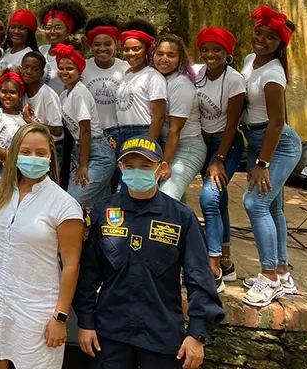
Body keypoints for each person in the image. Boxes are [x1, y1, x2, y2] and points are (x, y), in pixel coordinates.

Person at [73, 136, 224, 369]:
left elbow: (200, 278)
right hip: (110, 334)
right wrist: (85, 322)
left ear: (161, 169)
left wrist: (197, 334)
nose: (137, 172)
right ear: (120, 168)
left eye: (145, 166)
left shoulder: (181, 217)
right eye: (130, 166)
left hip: (161, 335)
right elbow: (87, 275)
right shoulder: (104, 212)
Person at [0, 124, 84, 369]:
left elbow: (71, 265)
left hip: (37, 310)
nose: (33, 158)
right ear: (13, 153)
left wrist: (60, 317)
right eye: (26, 151)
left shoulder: (64, 205)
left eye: (40, 153)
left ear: (50, 156)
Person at [240, 6, 302, 307]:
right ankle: (282, 271)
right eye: (259, 33)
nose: (262, 40)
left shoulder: (274, 74)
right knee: (274, 206)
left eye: (272, 37)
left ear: (281, 44)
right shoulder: (250, 60)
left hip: (278, 143)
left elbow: (277, 123)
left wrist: (263, 164)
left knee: (255, 202)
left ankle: (269, 278)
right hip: (256, 139)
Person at [195, 28, 245, 292]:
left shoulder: (235, 80)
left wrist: (219, 159)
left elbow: (231, 125)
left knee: (209, 197)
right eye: (206, 49)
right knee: (220, 198)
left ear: (228, 53)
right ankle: (226, 261)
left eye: (217, 50)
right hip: (204, 141)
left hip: (227, 143)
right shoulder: (197, 73)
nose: (211, 54)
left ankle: (212, 265)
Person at [55, 44, 116, 209]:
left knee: (72, 202)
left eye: (70, 68)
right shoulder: (63, 95)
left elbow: (85, 130)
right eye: (61, 68)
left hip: (97, 153)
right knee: (94, 207)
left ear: (79, 71)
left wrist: (83, 165)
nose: (65, 71)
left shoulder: (80, 94)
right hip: (81, 151)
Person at [153, 35, 207, 202]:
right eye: (159, 53)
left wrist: (166, 164)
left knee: (167, 198)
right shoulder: (159, 79)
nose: (164, 59)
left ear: (180, 58)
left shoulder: (180, 84)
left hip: (187, 146)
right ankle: (183, 229)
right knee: (175, 204)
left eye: (171, 55)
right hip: (167, 146)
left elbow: (175, 129)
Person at [115, 20, 167, 150]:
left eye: (137, 49)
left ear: (147, 50)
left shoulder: (153, 77)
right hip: (122, 133)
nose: (131, 53)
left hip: (143, 132)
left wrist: (148, 145)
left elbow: (159, 117)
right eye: (126, 49)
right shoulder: (126, 75)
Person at [81, 16, 128, 151]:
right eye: (97, 44)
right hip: (90, 133)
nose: (102, 48)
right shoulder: (82, 67)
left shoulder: (126, 68)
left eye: (108, 44)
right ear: (90, 45)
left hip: (118, 132)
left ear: (115, 44)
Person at [18, 52, 64, 174]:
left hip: (51, 147)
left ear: (41, 73)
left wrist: (31, 122)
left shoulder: (47, 95)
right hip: (32, 147)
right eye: (26, 67)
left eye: (35, 69)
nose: (29, 71)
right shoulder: (22, 92)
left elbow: (57, 130)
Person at [0, 72, 28, 183]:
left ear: (19, 95)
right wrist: (13, 157)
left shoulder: (24, 118)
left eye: (12, 92)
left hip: (20, 167)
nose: (8, 96)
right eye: (4, 92)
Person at [37, 0, 88, 95]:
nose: (52, 31)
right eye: (48, 27)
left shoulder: (72, 56)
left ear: (68, 31)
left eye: (58, 27)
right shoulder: (41, 50)